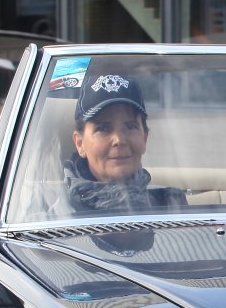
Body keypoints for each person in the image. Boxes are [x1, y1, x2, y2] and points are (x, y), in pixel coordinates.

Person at [63, 63, 186, 214]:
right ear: (80, 143)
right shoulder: (56, 215)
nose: (119, 140)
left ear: (145, 137)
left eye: (130, 126)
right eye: (103, 128)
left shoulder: (171, 207)